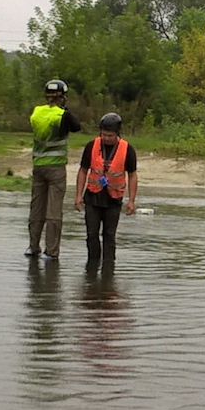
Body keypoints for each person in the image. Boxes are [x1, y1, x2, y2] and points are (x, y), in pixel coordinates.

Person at [27, 79, 82, 260]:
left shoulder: (36, 113)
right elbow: (77, 127)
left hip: (38, 167)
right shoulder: (62, 115)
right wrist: (65, 109)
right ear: (63, 97)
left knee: (36, 209)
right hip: (56, 168)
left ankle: (33, 246)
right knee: (54, 211)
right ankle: (51, 251)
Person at [74, 112, 137, 270]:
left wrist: (131, 201)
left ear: (117, 133)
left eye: (110, 135)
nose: (106, 138)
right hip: (92, 197)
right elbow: (83, 170)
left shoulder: (127, 149)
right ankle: (92, 266)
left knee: (109, 236)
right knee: (91, 234)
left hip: (113, 199)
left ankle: (109, 268)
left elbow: (132, 175)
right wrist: (78, 196)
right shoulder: (92, 146)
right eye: (103, 135)